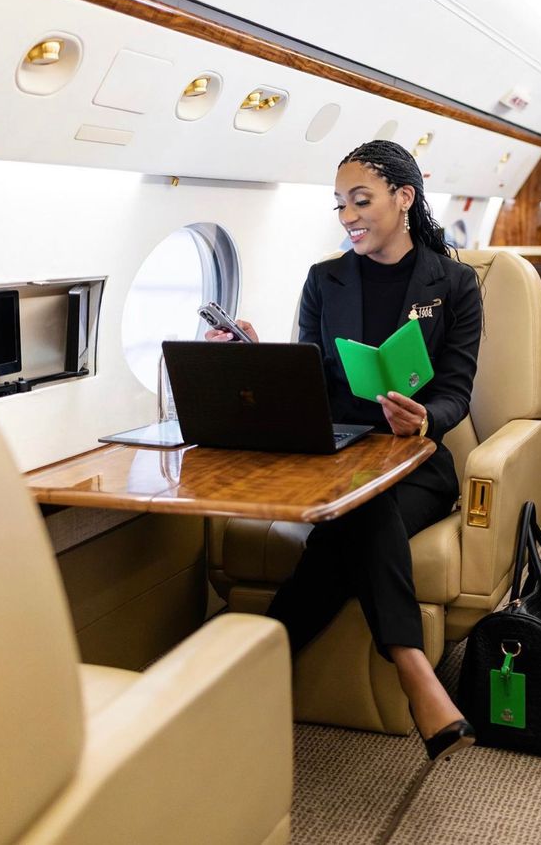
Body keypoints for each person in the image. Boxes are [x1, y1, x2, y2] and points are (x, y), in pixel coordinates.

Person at [207, 140, 482, 761]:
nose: (348, 216)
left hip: (414, 463)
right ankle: (413, 666)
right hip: (341, 457)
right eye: (339, 205)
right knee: (357, 506)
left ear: (403, 198)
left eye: (361, 200)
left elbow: (457, 392)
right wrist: (255, 358)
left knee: (360, 511)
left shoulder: (455, 284)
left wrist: (421, 418)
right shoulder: (323, 280)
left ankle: (263, 667)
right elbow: (312, 383)